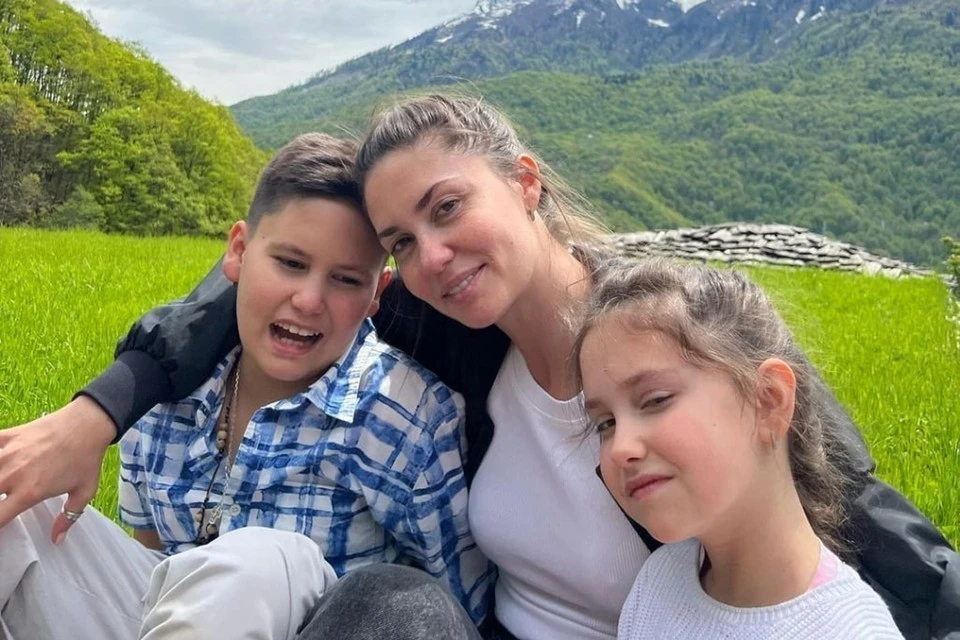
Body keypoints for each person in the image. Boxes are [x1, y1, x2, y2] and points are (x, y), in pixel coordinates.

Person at [0, 94, 957, 639]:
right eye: (401, 241)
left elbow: (854, 512)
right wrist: (98, 412)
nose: (432, 255)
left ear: (525, 183)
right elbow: (262, 295)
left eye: (448, 208)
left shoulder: (670, 335)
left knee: (388, 602)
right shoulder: (445, 327)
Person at [0, 132, 491, 639]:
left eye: (345, 279)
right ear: (238, 251)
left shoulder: (405, 417)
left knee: (264, 562)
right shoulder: (165, 388)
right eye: (291, 263)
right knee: (18, 508)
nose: (308, 300)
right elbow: (151, 565)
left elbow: (449, 607)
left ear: (376, 294)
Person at [574, 258, 903, 639]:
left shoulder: (850, 631)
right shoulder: (657, 583)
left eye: (656, 400)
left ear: (769, 400)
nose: (620, 448)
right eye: (606, 424)